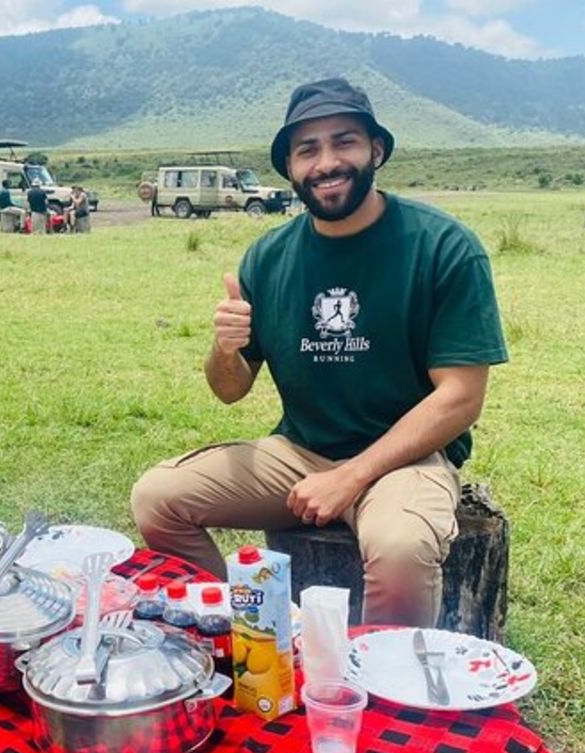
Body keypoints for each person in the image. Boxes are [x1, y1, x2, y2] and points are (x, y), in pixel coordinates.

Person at [131, 78, 508, 629]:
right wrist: (223, 347)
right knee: (157, 498)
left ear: (376, 149)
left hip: (407, 460)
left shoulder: (442, 247)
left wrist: (351, 477)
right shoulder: (269, 257)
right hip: (300, 452)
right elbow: (231, 389)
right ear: (289, 166)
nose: (327, 162)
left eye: (344, 142)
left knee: (400, 548)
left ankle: (386, 700)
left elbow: (461, 397)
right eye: (307, 149)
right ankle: (237, 631)